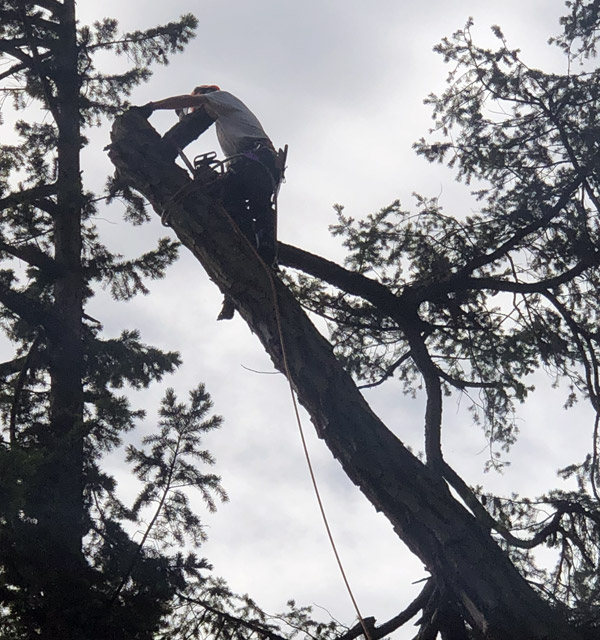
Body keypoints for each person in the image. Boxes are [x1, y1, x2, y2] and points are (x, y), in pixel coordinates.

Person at [142, 86, 281, 267]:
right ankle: (254, 248)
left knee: (243, 201)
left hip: (255, 158)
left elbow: (192, 103)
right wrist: (183, 116)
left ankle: (262, 247)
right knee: (234, 204)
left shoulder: (219, 97)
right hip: (253, 161)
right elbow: (191, 119)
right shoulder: (225, 119)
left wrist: (153, 106)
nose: (195, 113)